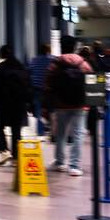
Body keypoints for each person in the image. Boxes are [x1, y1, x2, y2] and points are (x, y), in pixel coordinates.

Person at [44, 36, 93, 176]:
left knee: (60, 133)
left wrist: (47, 104)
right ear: (75, 47)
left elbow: (48, 83)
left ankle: (60, 162)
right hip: (79, 104)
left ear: (61, 46)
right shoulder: (82, 63)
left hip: (61, 104)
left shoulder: (56, 63)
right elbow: (92, 80)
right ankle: (74, 166)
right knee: (77, 134)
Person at [0, 44, 31, 166]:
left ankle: (4, 151)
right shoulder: (21, 68)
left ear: (1, 54)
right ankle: (16, 157)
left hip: (1, 104)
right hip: (18, 105)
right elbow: (28, 87)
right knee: (16, 130)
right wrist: (29, 104)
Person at [27, 43, 54, 137]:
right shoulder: (52, 60)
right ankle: (52, 132)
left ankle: (40, 132)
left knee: (38, 111)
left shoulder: (34, 60)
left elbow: (29, 72)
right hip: (49, 90)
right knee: (51, 110)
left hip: (36, 89)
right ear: (48, 50)